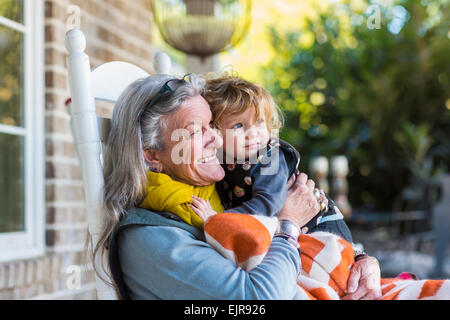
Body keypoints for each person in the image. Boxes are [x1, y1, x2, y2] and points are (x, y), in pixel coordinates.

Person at [96, 73, 381, 300]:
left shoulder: (217, 194)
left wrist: (359, 261)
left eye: (213, 126)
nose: (217, 140)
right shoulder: (150, 238)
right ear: (152, 155)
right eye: (196, 131)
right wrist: (288, 225)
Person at [190, 75, 350, 239]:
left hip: (322, 228)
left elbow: (268, 204)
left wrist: (218, 218)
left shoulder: (270, 158)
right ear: (215, 131)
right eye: (238, 125)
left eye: (259, 121)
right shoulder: (221, 160)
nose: (252, 133)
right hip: (290, 231)